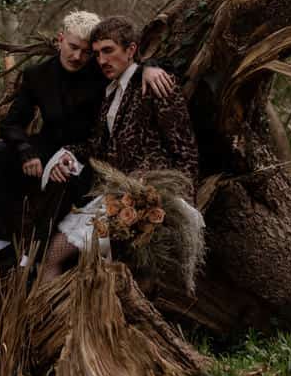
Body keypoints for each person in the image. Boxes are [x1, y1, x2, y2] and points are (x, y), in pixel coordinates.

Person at [0, 10, 173, 271]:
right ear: (60, 39)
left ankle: (34, 259)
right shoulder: (37, 75)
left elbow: (129, 66)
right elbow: (11, 123)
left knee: (66, 177)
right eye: (73, 47)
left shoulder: (101, 73)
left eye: (86, 52)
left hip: (86, 154)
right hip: (45, 147)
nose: (78, 57)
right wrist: (26, 151)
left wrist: (150, 67)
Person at [41, 15, 200, 281]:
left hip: (149, 197)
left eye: (108, 51)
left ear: (130, 50)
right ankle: (57, 319)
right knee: (52, 258)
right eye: (97, 53)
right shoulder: (110, 93)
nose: (102, 60)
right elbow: (99, 148)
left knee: (77, 264)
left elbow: (185, 148)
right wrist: (67, 154)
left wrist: (182, 205)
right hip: (114, 195)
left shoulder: (154, 83)